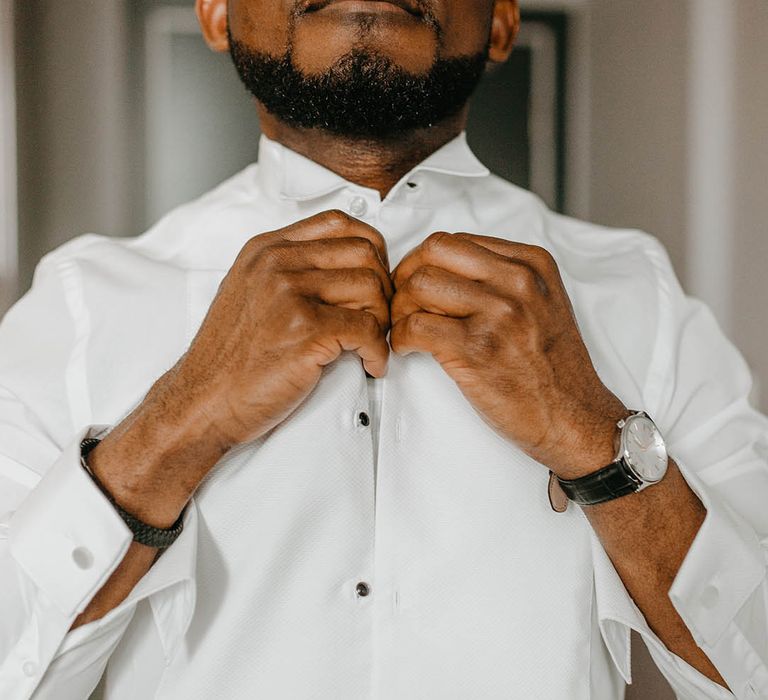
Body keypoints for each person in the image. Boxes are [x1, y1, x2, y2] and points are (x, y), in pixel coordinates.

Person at [0, 0, 766, 698]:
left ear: (501, 18)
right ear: (215, 11)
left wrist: (600, 441)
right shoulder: (81, 306)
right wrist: (179, 421)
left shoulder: (639, 297)